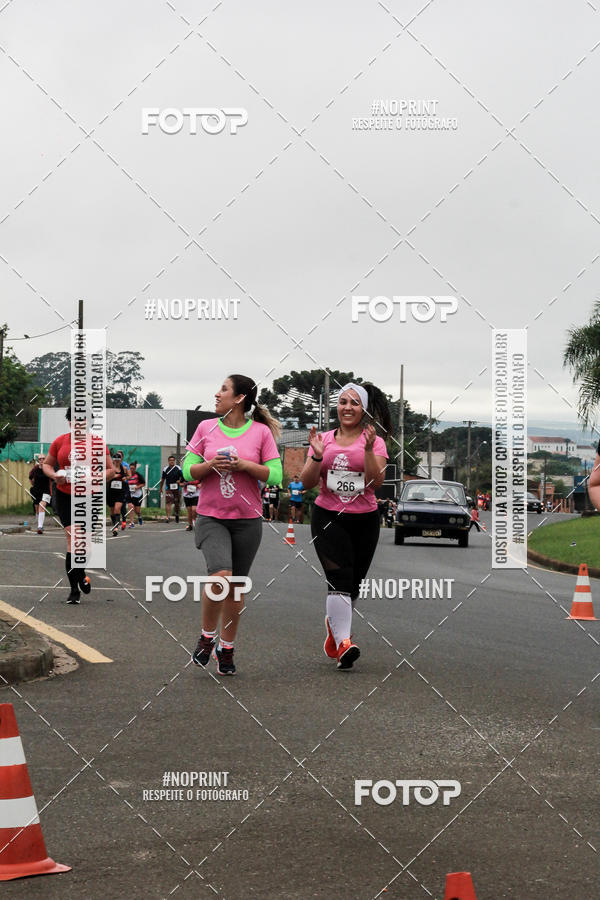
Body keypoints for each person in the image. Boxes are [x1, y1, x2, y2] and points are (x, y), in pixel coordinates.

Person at [185, 374, 282, 675]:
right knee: (221, 577)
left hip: (247, 521)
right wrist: (210, 464)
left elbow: (276, 475)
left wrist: (244, 465)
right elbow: (187, 470)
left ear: (239, 398)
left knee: (236, 587)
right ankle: (206, 637)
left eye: (224, 389)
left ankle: (226, 648)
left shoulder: (261, 433)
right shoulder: (206, 428)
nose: (217, 394)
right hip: (211, 517)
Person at [300, 382, 390, 670]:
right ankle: (344, 643)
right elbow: (306, 482)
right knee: (338, 578)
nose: (347, 407)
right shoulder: (323, 439)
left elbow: (376, 482)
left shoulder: (375, 441)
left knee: (353, 584)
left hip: (364, 519)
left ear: (363, 409)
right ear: (336, 407)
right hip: (328, 516)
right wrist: (316, 455)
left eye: (354, 403)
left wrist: (367, 451)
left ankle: (336, 631)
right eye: (342, 402)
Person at [42, 407, 114, 603]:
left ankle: (81, 573)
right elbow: (47, 464)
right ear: (69, 422)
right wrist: (54, 475)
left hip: (90, 497)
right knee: (73, 539)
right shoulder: (59, 442)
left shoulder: (98, 443)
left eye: (82, 419)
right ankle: (74, 590)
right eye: (74, 419)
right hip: (65, 495)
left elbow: (111, 471)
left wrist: (94, 477)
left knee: (85, 545)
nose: (78, 423)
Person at [108, 455, 130, 535]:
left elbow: (129, 475)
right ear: (113, 460)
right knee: (112, 511)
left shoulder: (124, 468)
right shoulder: (109, 469)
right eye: (115, 460)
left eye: (118, 460)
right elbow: (104, 478)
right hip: (110, 492)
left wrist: (126, 478)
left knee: (117, 509)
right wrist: (113, 476)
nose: (117, 462)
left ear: (120, 460)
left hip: (120, 492)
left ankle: (116, 528)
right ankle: (114, 524)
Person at [29, 454, 51, 534]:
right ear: (38, 460)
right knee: (37, 509)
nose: (41, 460)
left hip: (46, 492)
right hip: (36, 491)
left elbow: (52, 479)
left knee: (42, 505)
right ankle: (40, 524)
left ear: (46, 459)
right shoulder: (35, 469)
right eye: (40, 459)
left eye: (43, 458)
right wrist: (34, 486)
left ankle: (40, 527)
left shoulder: (48, 468)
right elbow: (30, 478)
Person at [160, 456, 183, 523]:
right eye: (170, 460)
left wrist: (180, 481)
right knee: (168, 502)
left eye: (173, 460)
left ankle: (177, 514)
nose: (171, 461)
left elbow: (183, 477)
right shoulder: (165, 469)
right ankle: (168, 517)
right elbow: (163, 479)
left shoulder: (178, 468)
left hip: (177, 488)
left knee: (176, 502)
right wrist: (161, 488)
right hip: (168, 488)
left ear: (174, 461)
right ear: (168, 461)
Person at [127, 462, 146, 526]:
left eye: (133, 469)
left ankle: (139, 517)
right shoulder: (127, 475)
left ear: (135, 469)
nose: (132, 470)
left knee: (137, 511)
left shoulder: (138, 475)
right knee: (131, 508)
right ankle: (132, 522)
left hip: (138, 494)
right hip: (130, 494)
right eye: (130, 468)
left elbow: (143, 483)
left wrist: (137, 487)